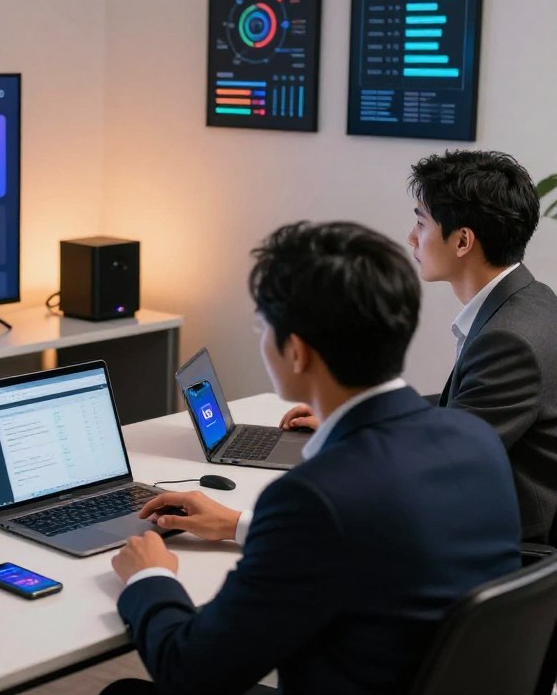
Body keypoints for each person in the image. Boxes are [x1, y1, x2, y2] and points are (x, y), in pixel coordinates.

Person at [107, 222, 521, 695]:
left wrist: (149, 576)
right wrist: (241, 525)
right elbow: (371, 545)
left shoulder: (314, 497)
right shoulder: (474, 439)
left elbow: (190, 670)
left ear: (297, 351)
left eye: (263, 327)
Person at [282, 151, 557, 544]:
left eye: (421, 221)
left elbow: (438, 462)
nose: (411, 237)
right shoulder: (533, 300)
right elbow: (460, 408)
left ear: (463, 241)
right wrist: (356, 411)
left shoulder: (510, 339)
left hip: (497, 545)